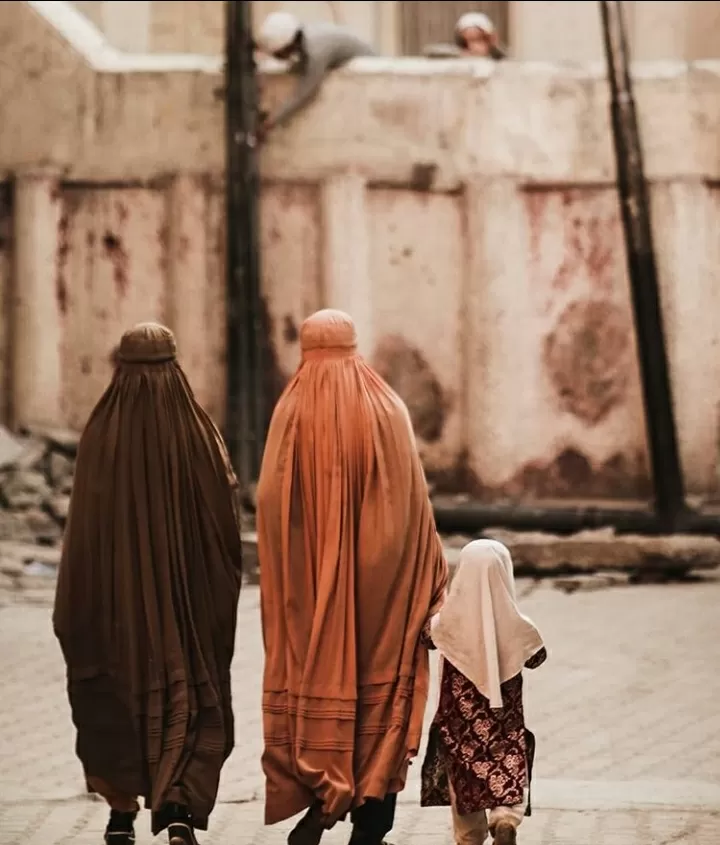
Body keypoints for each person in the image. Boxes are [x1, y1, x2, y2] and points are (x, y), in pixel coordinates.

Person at [256, 309, 448, 845]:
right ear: (353, 346)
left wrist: (299, 574)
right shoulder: (387, 408)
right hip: (383, 596)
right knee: (382, 695)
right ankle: (370, 823)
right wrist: (426, 575)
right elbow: (415, 507)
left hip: (311, 596)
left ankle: (322, 798)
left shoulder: (290, 410)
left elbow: (269, 506)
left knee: (317, 688)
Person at [53, 323, 244, 845]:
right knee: (186, 694)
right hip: (186, 612)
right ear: (175, 367)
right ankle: (177, 805)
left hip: (114, 611)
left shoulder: (100, 434)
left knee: (117, 696)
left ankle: (120, 815)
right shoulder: (198, 434)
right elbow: (226, 527)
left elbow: (82, 534)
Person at [420, 540, 546, 845]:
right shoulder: (521, 628)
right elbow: (536, 657)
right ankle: (505, 819)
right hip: (505, 725)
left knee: (464, 782)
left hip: (459, 728)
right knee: (508, 771)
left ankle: (470, 838)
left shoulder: (442, 624)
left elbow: (426, 639)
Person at [256, 11, 376, 137]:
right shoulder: (307, 39)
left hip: (370, 69)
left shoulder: (317, 52)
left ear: (288, 46)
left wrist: (272, 122)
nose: (279, 58)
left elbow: (304, 93)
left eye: (279, 54)